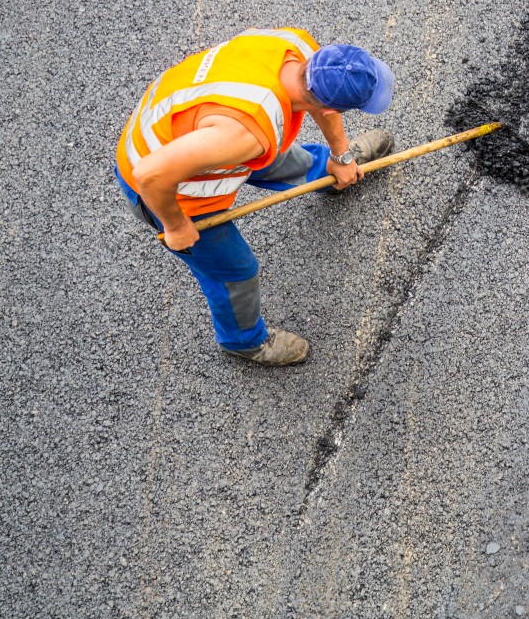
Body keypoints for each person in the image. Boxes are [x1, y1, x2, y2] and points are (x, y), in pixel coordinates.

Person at [114, 27, 394, 366]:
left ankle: (330, 175)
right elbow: (151, 176)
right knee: (235, 270)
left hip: (198, 131)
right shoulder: (247, 133)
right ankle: (243, 341)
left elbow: (322, 105)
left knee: (282, 155)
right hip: (167, 186)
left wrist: (342, 155)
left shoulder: (296, 46)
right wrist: (175, 226)